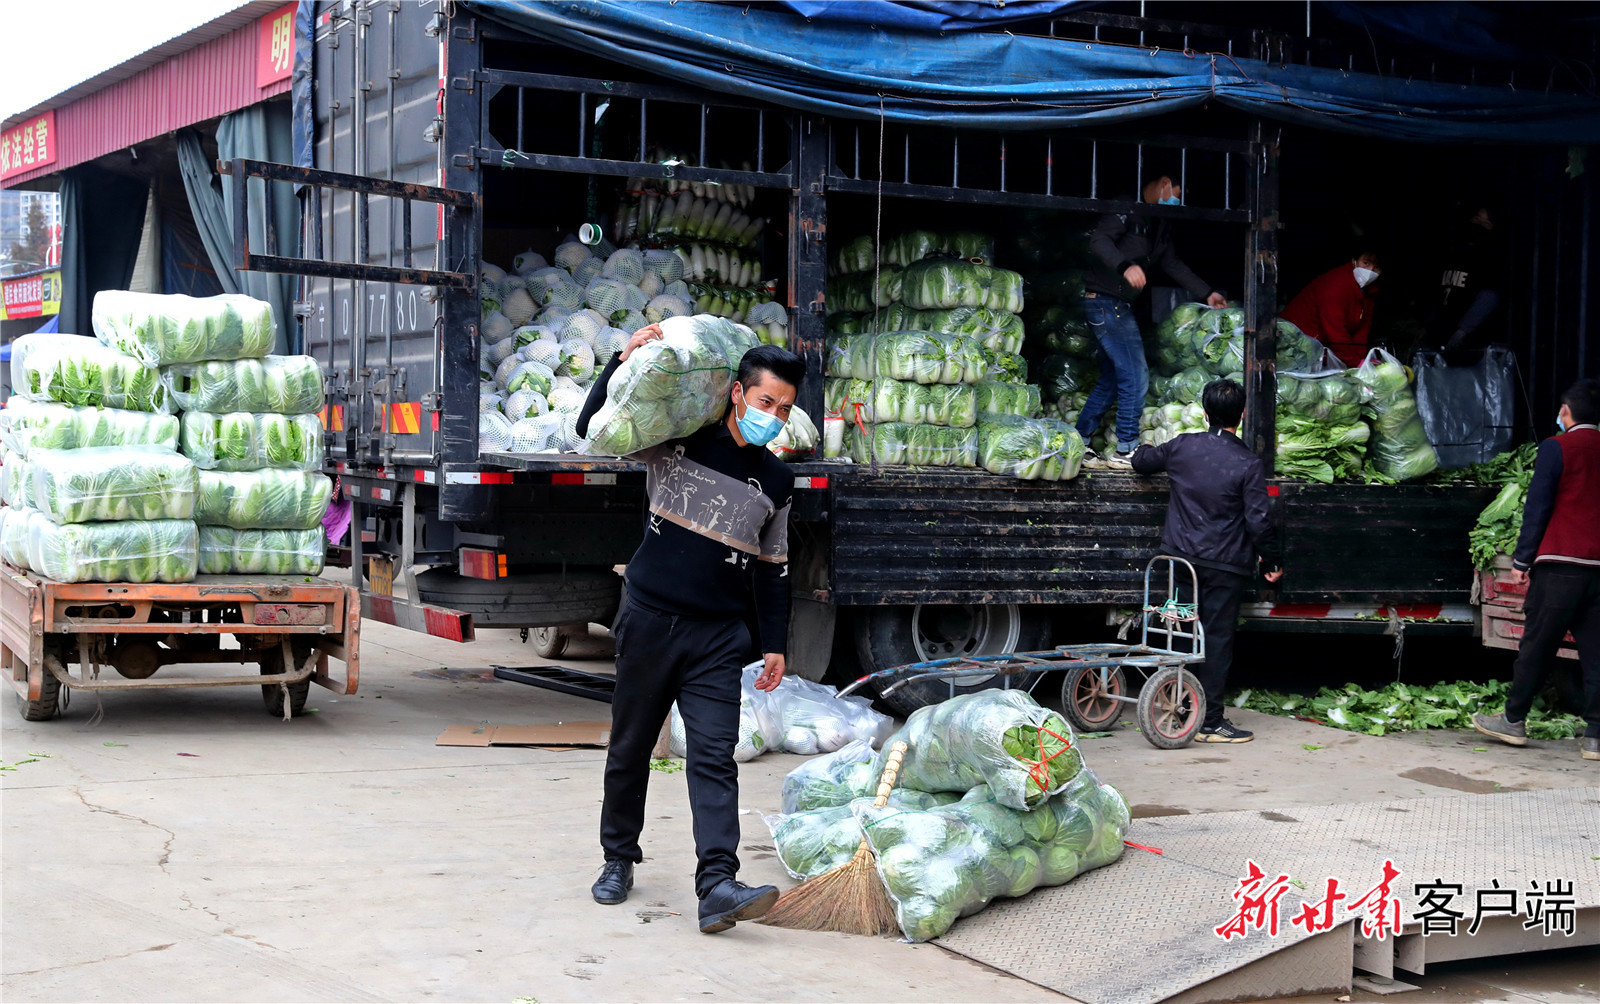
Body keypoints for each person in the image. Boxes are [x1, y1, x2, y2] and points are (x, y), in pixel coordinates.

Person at [575, 330, 805, 932]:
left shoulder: (777, 484)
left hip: (718, 638)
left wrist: (776, 642)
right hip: (649, 620)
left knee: (713, 758)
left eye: (783, 409)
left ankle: (717, 885)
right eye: (764, 403)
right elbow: (591, 427)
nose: (773, 418)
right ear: (736, 393)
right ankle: (617, 859)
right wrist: (619, 362)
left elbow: (773, 569)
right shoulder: (678, 443)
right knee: (630, 749)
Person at [1130, 379, 1284, 743]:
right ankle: (1210, 721)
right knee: (1215, 641)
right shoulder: (1247, 464)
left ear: (1204, 413)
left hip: (1180, 563)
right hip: (1224, 567)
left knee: (1182, 633)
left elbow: (1143, 462)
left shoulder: (1184, 446)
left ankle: (1182, 710)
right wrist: (1271, 562)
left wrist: (1143, 447)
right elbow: (1259, 522)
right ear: (1242, 416)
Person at [1473, 378, 1600, 761]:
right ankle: (1595, 736)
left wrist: (1522, 560)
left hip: (1560, 566)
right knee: (1596, 653)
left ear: (1566, 411)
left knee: (1537, 646)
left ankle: (1513, 720)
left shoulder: (1556, 448)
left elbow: (1538, 508)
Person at [1080, 175, 1227, 469]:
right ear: (1164, 182)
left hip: (1117, 305)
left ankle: (1079, 442)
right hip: (1106, 303)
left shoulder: (1160, 222)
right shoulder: (1128, 207)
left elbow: (1171, 263)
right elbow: (1099, 240)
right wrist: (1125, 266)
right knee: (1135, 375)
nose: (1176, 199)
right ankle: (1126, 449)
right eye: (1176, 192)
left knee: (1112, 379)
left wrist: (1207, 292)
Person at [1280, 249, 1381, 368]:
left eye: (1376, 267)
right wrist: (1355, 363)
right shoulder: (1336, 285)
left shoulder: (1370, 290)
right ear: (1354, 260)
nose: (1370, 271)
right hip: (1296, 344)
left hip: (1323, 348)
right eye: (1366, 263)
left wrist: (1361, 359)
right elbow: (1334, 331)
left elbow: (1362, 328)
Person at [1431, 204, 1506, 351]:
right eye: (1477, 219)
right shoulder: (1454, 254)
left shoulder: (1491, 257)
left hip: (1472, 348)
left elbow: (1489, 296)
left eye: (1485, 223)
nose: (1479, 225)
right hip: (1439, 338)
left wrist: (1462, 331)